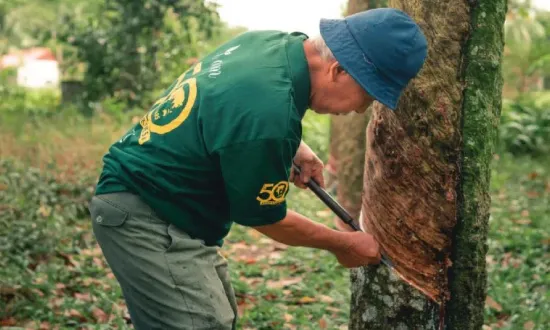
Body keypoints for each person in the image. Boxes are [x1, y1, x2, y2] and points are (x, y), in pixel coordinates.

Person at [88, 7, 427, 330]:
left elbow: (233, 103)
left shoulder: (272, 43)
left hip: (163, 203)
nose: (359, 110)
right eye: (367, 96)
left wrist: (296, 147)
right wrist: (344, 243)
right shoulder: (269, 122)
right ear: (338, 71)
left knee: (214, 315)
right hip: (144, 213)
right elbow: (267, 219)